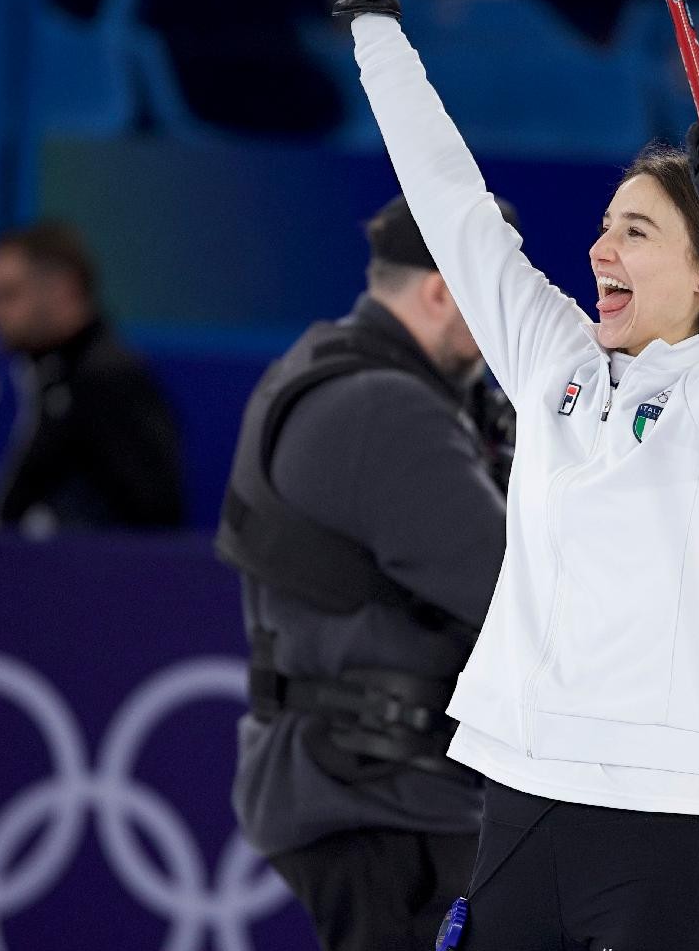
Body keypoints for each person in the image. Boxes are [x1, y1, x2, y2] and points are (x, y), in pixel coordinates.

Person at [333, 0, 699, 949]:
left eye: (634, 232)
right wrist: (373, 24)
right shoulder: (557, 361)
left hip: (657, 823)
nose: (599, 248)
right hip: (521, 796)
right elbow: (452, 208)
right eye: (602, 226)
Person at [218, 194, 514, 951]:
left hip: (377, 789)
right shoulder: (385, 407)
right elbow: (518, 592)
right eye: (500, 286)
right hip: (380, 801)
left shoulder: (340, 370)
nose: (516, 315)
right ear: (442, 290)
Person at [0, 220, 185, 536]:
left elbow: (151, 519)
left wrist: (14, 532)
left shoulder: (107, 379)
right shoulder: (52, 375)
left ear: (65, 290)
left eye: (8, 295)